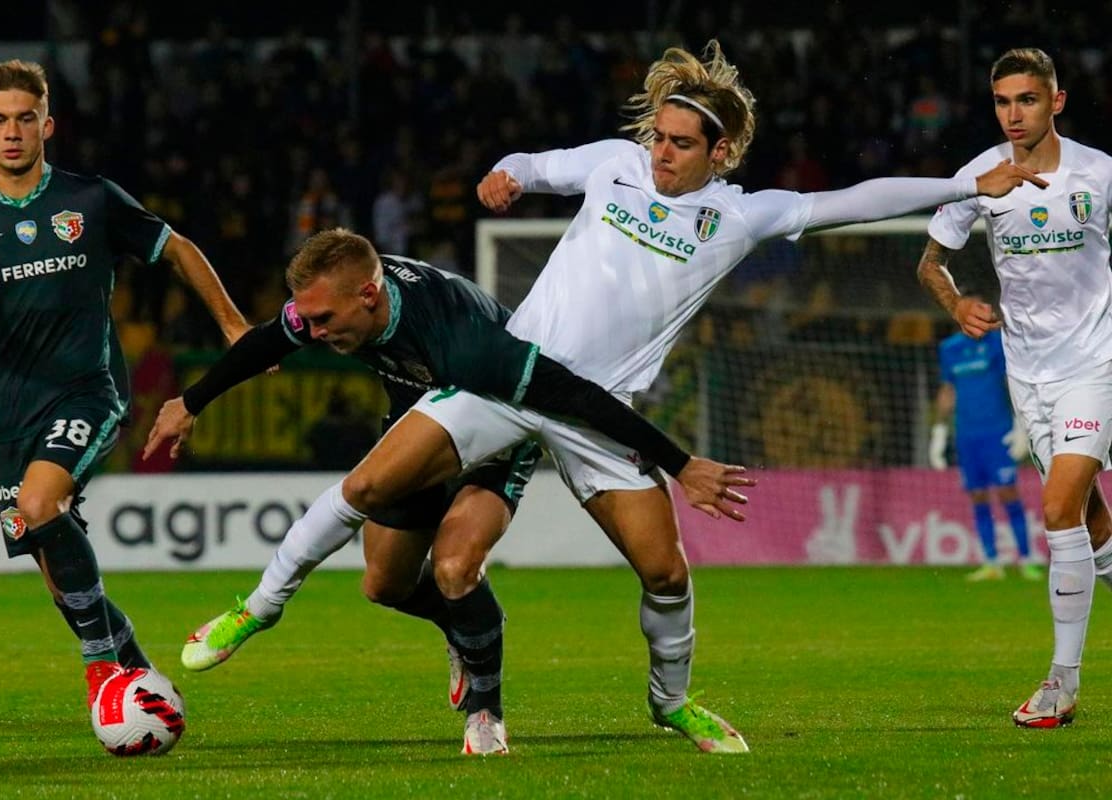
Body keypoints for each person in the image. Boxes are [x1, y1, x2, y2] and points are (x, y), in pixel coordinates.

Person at [158, 40, 1040, 756]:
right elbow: (536, 164)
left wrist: (967, 184)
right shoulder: (614, 166)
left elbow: (855, 199)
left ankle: (672, 704)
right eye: (657, 137)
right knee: (366, 490)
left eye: (681, 144)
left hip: (600, 415)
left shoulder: (742, 216)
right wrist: (504, 174)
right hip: (510, 377)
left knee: (665, 571)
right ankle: (256, 609)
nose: (660, 152)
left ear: (719, 153)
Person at [143, 228, 736, 755]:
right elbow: (268, 341)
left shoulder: (467, 343)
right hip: (421, 428)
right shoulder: (329, 301)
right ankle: (461, 624)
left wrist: (679, 463)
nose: (314, 332)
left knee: (455, 568)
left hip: (498, 420)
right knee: (383, 584)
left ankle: (485, 709)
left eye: (324, 320)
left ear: (368, 296)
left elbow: (578, 397)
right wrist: (190, 402)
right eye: (310, 319)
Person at [0, 60, 249, 716]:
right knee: (54, 571)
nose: (13, 132)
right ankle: (139, 674)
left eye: (25, 118)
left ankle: (100, 670)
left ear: (48, 124)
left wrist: (234, 325)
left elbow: (176, 247)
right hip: (9, 411)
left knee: (41, 504)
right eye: (0, 120)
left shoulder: (89, 199)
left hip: (87, 391)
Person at [917, 47, 1112, 729]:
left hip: (1096, 363)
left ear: (1055, 101)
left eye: (1026, 99)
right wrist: (957, 304)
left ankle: (1061, 683)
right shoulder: (979, 176)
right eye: (1002, 102)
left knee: (1058, 509)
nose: (1013, 114)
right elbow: (930, 263)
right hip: (1026, 373)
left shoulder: (1100, 174)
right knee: (1090, 524)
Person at [929, 328, 1041, 581]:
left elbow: (1011, 381)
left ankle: (1026, 559)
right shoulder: (950, 348)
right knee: (978, 496)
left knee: (1007, 492)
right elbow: (948, 390)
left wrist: (1020, 423)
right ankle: (991, 562)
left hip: (997, 432)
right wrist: (939, 431)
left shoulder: (997, 344)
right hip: (966, 435)